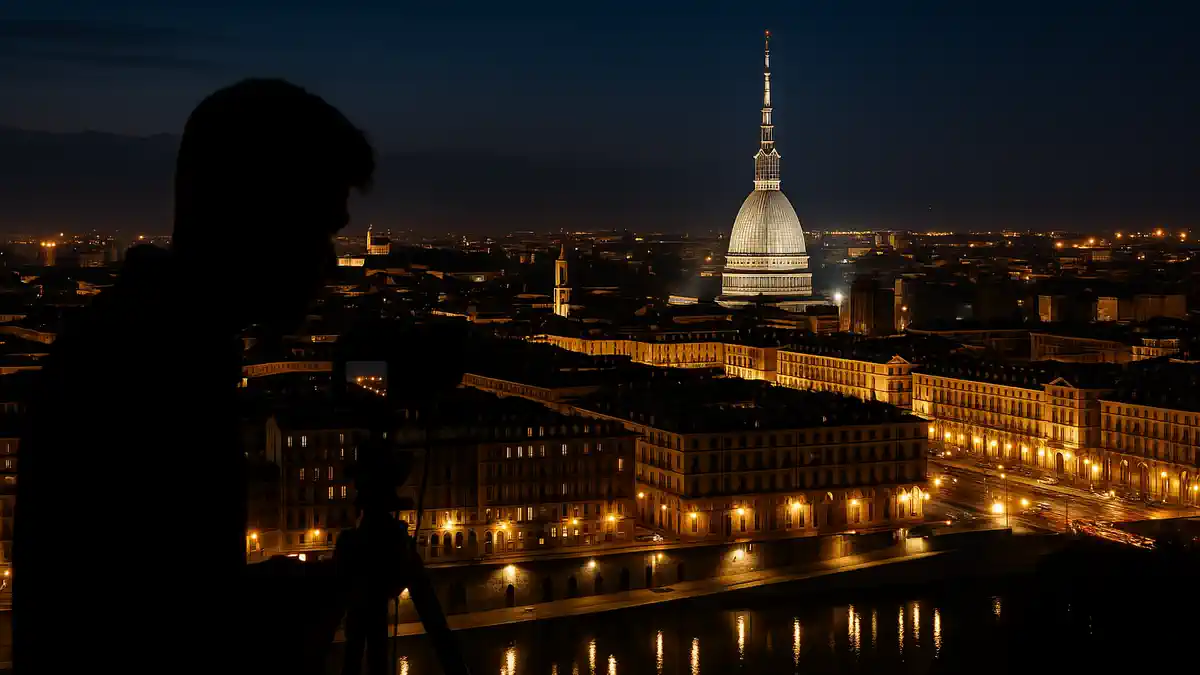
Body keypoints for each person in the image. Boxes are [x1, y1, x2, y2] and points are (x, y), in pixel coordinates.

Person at [16, 79, 374, 674]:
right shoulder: (156, 371)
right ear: (252, 212)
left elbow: (156, 603)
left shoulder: (134, 343)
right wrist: (331, 591)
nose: (330, 260)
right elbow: (181, 639)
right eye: (318, 227)